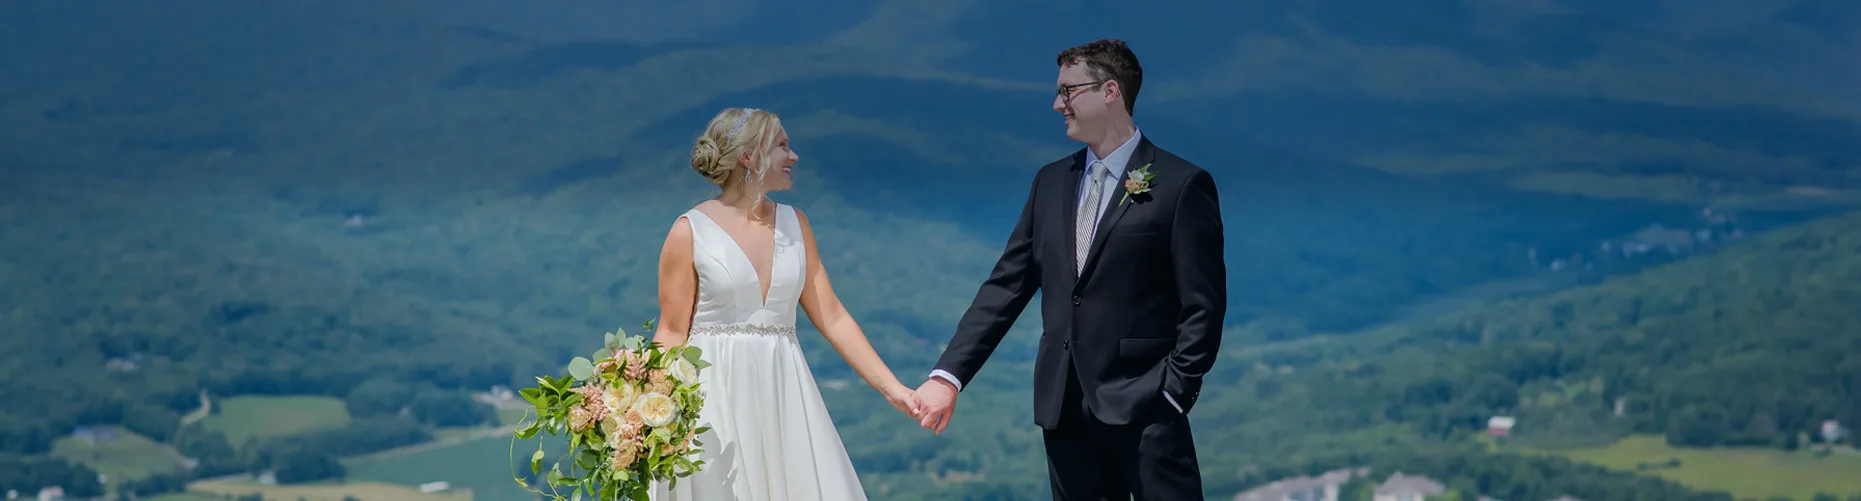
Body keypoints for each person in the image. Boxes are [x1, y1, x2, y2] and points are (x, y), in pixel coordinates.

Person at [910, 39, 1227, 500]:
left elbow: (1204, 306)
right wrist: (947, 377)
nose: (1057, 104)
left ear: (1110, 91)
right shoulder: (1050, 182)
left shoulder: (1182, 185)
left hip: (1148, 409)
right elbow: (1006, 287)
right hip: (1063, 411)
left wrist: (1173, 393)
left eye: (1068, 91)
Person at [649, 107, 916, 500]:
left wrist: (893, 389)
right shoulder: (689, 231)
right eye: (782, 146)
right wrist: (641, 407)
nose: (794, 157)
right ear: (748, 157)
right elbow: (671, 331)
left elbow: (834, 316)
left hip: (784, 392)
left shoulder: (796, 224)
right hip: (711, 398)